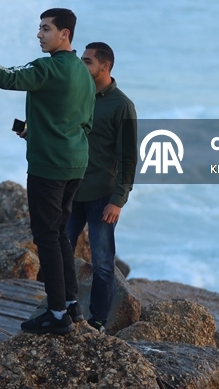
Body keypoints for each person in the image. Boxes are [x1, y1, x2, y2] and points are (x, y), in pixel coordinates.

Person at [0, 9, 94, 334]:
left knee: (46, 237)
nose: (39, 35)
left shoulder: (48, 67)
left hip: (49, 166)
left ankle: (56, 315)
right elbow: (81, 122)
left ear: (65, 34)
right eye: (39, 28)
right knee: (60, 234)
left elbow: (7, 77)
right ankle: (71, 306)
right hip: (75, 164)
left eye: (45, 29)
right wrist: (36, 131)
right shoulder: (83, 73)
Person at [67, 42, 136, 332]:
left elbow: (129, 158)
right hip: (70, 191)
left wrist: (118, 200)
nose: (81, 66)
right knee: (58, 254)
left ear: (104, 67)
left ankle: (97, 322)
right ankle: (62, 309)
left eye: (87, 62)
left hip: (101, 196)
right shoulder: (77, 95)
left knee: (104, 264)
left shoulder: (122, 105)